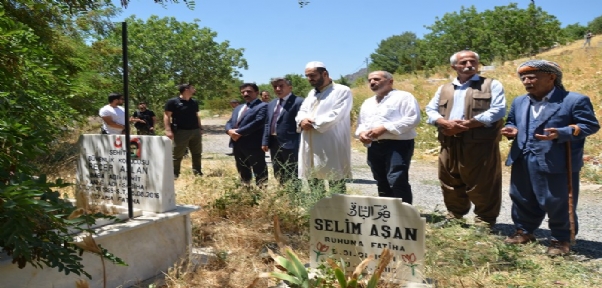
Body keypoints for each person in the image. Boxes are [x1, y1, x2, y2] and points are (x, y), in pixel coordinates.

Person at [501, 60, 599, 256]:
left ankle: (560, 239)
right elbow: (512, 121)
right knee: (521, 196)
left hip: (557, 159)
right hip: (523, 155)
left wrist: (562, 132)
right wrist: (511, 129)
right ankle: (524, 231)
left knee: (557, 200)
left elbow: (590, 125)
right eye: (523, 78)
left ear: (551, 77)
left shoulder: (574, 100)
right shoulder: (520, 101)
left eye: (532, 77)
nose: (526, 81)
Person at [425, 50, 506, 228]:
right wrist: (444, 123)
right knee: (450, 180)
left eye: (473, 62)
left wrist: (467, 125)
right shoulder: (444, 88)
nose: (469, 65)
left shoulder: (491, 84)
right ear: (454, 66)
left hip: (480, 142)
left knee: (483, 182)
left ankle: (484, 221)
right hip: (448, 141)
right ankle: (455, 216)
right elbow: (430, 110)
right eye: (464, 62)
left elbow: (498, 110)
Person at [355, 71, 421, 204]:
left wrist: (385, 128)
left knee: (397, 178)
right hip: (374, 146)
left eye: (376, 79)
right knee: (380, 180)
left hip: (397, 144)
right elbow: (361, 123)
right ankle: (387, 213)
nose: (372, 82)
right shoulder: (368, 102)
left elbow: (413, 119)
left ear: (390, 81)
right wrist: (361, 133)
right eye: (370, 80)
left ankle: (405, 215)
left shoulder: (403, 97)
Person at [296, 61, 353, 194]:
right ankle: (318, 212)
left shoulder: (342, 91)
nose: (309, 79)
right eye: (307, 76)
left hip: (331, 141)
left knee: (335, 179)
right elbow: (302, 110)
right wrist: (301, 120)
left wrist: (313, 123)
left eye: (312, 75)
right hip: (309, 141)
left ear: (325, 74)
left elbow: (337, 114)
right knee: (313, 178)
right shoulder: (312, 93)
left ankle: (338, 213)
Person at [261, 77, 304, 185]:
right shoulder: (272, 103)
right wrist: (265, 141)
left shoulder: (299, 102)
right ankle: (283, 192)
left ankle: (295, 196)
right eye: (275, 86)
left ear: (290, 87)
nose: (278, 88)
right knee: (278, 170)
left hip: (291, 143)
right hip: (274, 142)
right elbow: (267, 123)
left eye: (281, 86)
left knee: (293, 171)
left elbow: (302, 124)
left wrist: (300, 143)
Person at [226, 83, 268, 187]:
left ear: (257, 93)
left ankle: (262, 191)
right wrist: (229, 131)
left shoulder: (263, 106)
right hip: (237, 143)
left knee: (259, 169)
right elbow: (230, 122)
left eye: (249, 91)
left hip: (253, 144)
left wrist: (238, 132)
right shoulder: (238, 107)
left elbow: (258, 122)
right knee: (242, 168)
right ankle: (246, 190)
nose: (245, 94)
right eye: (243, 92)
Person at [164, 84, 204, 178]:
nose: (194, 89)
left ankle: (197, 172)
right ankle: (174, 173)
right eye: (192, 88)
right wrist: (168, 129)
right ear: (186, 90)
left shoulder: (194, 102)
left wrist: (200, 128)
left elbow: (196, 115)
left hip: (195, 131)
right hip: (181, 131)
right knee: (177, 154)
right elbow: (166, 116)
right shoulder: (173, 102)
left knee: (197, 153)